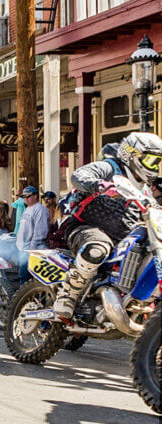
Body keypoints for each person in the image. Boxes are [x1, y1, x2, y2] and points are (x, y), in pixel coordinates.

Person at [52, 133, 162, 319]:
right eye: (151, 160)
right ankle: (67, 295)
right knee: (97, 249)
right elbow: (79, 176)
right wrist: (101, 185)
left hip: (122, 238)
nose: (154, 166)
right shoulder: (109, 167)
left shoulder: (144, 187)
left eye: (157, 161)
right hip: (86, 227)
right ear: (132, 154)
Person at [15, 186, 49, 281]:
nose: (25, 199)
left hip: (32, 250)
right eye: (24, 197)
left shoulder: (40, 209)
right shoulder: (27, 209)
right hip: (23, 249)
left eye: (28, 196)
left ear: (35, 196)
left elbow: (40, 232)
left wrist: (32, 249)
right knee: (23, 277)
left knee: (27, 279)